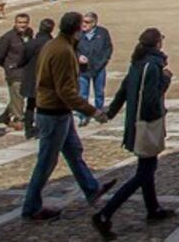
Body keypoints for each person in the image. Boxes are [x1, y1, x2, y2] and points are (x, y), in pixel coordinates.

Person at [22, 12, 114, 222]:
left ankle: (92, 188)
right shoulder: (62, 51)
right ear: (77, 30)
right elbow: (66, 91)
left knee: (74, 151)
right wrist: (93, 111)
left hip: (56, 110)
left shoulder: (54, 45)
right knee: (46, 162)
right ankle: (31, 208)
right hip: (54, 112)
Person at [91, 28, 175, 239]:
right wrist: (166, 80)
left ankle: (153, 208)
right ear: (157, 43)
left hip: (135, 123)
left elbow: (123, 89)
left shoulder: (137, 62)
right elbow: (150, 98)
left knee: (146, 167)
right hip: (145, 124)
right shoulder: (153, 66)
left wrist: (110, 112)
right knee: (144, 173)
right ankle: (104, 214)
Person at [0, 13, 32, 132]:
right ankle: (18, 119)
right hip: (14, 71)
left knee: (17, 96)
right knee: (18, 94)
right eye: (20, 22)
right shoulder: (7, 37)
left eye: (25, 22)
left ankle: (5, 115)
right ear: (15, 23)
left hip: (26, 70)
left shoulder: (29, 34)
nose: (23, 25)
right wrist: (8, 66)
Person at [77, 12, 114, 127]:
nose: (84, 24)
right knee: (83, 94)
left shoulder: (102, 32)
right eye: (83, 21)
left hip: (99, 68)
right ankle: (83, 116)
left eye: (87, 22)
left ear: (94, 23)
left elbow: (108, 48)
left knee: (99, 93)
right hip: (83, 69)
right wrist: (78, 57)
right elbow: (72, 48)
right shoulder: (78, 34)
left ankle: (99, 113)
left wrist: (104, 61)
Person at [22, 18, 55, 139]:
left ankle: (28, 129)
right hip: (46, 79)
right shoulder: (52, 44)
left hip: (31, 78)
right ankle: (42, 128)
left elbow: (23, 59)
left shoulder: (31, 43)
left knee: (30, 105)